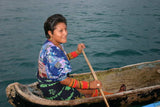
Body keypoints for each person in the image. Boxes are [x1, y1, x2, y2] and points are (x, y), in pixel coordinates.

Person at [37, 14, 122, 100]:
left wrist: (77, 52)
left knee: (85, 88)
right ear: (50, 33)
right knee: (87, 89)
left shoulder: (52, 44)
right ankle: (115, 97)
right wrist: (90, 85)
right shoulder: (52, 53)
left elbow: (62, 60)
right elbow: (64, 80)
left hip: (51, 82)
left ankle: (111, 95)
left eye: (65, 29)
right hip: (53, 89)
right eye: (61, 31)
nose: (65, 33)